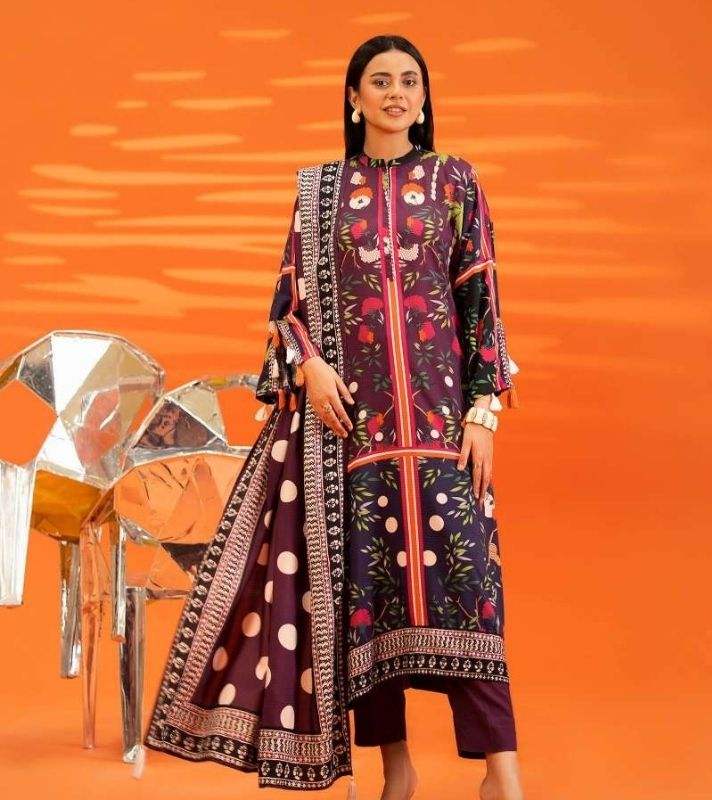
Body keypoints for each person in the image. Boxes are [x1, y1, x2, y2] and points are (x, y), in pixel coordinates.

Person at [144, 35, 524, 800]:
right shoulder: (322, 192)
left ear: (424, 96)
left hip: (442, 434)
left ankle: (502, 777)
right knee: (367, 609)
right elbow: (287, 309)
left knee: (471, 591)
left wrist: (483, 413)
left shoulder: (455, 181)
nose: (395, 93)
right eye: (379, 81)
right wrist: (311, 365)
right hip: (355, 435)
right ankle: (397, 773)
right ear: (354, 98)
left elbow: (480, 302)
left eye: (409, 81)